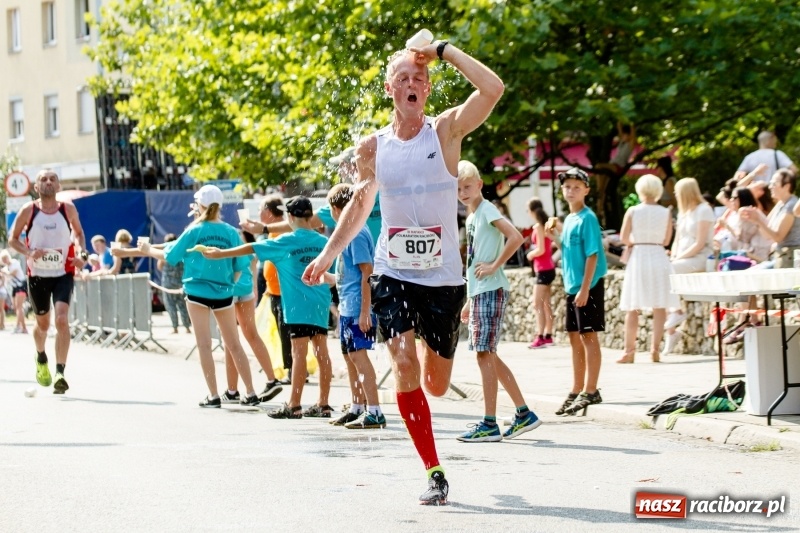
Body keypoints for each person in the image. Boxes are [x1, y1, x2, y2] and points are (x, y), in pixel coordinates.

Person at [302, 38, 504, 505]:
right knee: (403, 362)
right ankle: (434, 472)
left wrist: (443, 50)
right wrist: (328, 256)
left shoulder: (446, 131)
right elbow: (358, 205)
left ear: (428, 88)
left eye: (419, 78)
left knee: (434, 382)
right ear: (390, 87)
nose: (411, 84)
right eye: (403, 78)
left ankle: (429, 416)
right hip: (394, 273)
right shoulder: (372, 147)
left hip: (444, 279)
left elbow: (493, 88)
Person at [113, 185, 261, 407]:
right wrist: (229, 282)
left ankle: (212, 396)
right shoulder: (231, 232)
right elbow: (241, 264)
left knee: (203, 345)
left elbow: (169, 255)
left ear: (199, 205)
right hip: (223, 292)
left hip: (197, 291)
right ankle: (250, 393)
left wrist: (146, 250)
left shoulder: (194, 230)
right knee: (234, 344)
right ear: (220, 205)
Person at [203, 196, 333, 420]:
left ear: (290, 217)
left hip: (297, 305)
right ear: (311, 216)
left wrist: (220, 254)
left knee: (299, 353)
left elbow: (251, 247)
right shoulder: (323, 242)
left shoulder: (286, 240)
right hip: (320, 301)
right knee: (322, 352)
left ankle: (294, 405)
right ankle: (323, 403)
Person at [456, 161, 541, 442]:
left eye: (467, 186)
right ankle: (523, 413)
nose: (462, 192)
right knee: (488, 354)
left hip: (491, 288)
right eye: (458, 188)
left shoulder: (487, 209)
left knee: (484, 354)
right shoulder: (471, 217)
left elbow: (516, 237)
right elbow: (471, 262)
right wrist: (469, 299)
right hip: (480, 291)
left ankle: (489, 423)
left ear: (479, 185)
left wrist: (494, 265)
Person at [8, 170, 88, 393]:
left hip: (64, 272)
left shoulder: (68, 209)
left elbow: (80, 235)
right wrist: (29, 252)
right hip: (38, 275)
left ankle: (60, 372)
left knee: (62, 320)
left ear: (59, 186)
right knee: (43, 325)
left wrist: (82, 255)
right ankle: (41, 356)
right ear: (37, 187)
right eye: (43, 179)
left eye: (53, 179)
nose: (49, 182)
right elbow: (12, 239)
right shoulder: (29, 210)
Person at [323, 184, 386, 430]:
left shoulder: (356, 233)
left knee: (359, 357)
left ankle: (375, 410)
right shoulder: (348, 232)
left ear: (338, 209)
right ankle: (357, 406)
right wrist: (327, 278)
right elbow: (348, 275)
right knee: (350, 357)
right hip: (349, 306)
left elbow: (366, 272)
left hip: (358, 307)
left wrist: (364, 311)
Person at [547, 168, 608, 416]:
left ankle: (591, 389)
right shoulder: (570, 219)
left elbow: (593, 255)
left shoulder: (587, 218)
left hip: (587, 286)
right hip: (572, 287)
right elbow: (569, 249)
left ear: (586, 190)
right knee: (575, 338)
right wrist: (554, 237)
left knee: (589, 337)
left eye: (576, 187)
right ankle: (576, 388)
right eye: (566, 187)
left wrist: (585, 288)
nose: (570, 191)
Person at [617, 175, 677, 364]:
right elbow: (667, 241)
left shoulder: (633, 211)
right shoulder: (666, 212)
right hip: (658, 254)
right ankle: (655, 350)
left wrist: (636, 241)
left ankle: (629, 351)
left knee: (633, 306)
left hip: (640, 256)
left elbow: (624, 237)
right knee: (659, 306)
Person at [219, 230, 283, 404]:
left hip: (229, 289)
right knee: (252, 335)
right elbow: (253, 261)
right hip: (246, 289)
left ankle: (233, 390)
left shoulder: (221, 243)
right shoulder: (239, 240)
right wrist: (254, 287)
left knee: (230, 341)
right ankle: (271, 379)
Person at [662, 178, 716, 355]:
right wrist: (674, 254)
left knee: (668, 270)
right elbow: (678, 239)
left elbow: (700, 243)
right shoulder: (685, 213)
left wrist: (678, 258)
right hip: (683, 257)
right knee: (662, 272)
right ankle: (672, 332)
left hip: (700, 257)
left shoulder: (704, 210)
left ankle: (676, 311)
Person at [258, 195, 294, 382]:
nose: (258, 213)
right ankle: (291, 368)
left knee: (288, 333)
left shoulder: (283, 231)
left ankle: (294, 370)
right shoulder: (273, 232)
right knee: (282, 333)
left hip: (285, 293)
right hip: (274, 291)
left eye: (261, 209)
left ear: (270, 211)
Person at [741, 169, 800, 269]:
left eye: (774, 183)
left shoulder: (791, 205)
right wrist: (755, 219)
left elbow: (778, 237)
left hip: (789, 257)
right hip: (779, 255)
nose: (770, 186)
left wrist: (758, 220)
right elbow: (768, 234)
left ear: (786, 186)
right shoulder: (781, 204)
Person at [525, 198, 555, 349]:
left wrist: (531, 254)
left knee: (537, 304)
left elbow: (541, 249)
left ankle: (540, 336)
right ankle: (548, 335)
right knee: (546, 304)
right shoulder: (547, 224)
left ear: (531, 211)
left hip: (543, 269)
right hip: (549, 267)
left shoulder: (538, 227)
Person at [595, 122, 636, 220]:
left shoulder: (630, 144)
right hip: (612, 166)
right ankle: (599, 210)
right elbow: (619, 128)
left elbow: (633, 134)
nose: (624, 136)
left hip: (617, 167)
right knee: (602, 190)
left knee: (598, 166)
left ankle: (599, 190)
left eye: (627, 135)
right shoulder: (622, 142)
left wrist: (631, 124)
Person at [156, 233, 191, 334]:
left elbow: (159, 266)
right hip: (180, 283)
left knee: (170, 305)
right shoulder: (181, 252)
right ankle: (187, 327)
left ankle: (175, 327)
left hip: (168, 283)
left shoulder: (165, 252)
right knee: (183, 306)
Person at [0, 249, 29, 334]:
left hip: (21, 286)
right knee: (16, 307)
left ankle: (22, 327)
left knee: (19, 307)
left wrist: (4, 272)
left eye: (5, 258)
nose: (5, 260)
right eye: (3, 259)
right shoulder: (6, 268)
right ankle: (19, 326)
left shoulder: (15, 262)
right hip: (14, 288)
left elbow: (13, 273)